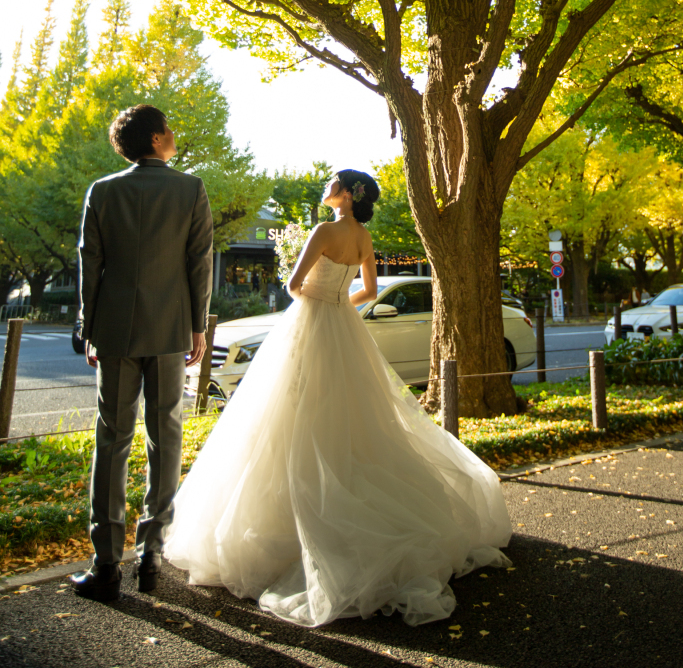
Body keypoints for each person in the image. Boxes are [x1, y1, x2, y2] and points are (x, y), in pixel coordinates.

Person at [164, 169, 512, 627]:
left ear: (347, 194)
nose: (325, 189)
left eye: (332, 184)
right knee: (354, 412)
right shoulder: (363, 236)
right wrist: (337, 302)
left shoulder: (324, 230)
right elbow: (366, 290)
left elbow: (291, 285)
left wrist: (314, 296)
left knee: (288, 411)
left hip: (309, 321)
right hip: (342, 324)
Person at [69, 104, 214, 603]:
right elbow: (199, 262)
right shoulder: (190, 188)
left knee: (111, 439)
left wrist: (87, 326)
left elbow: (90, 262)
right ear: (155, 140)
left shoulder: (103, 191)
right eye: (168, 131)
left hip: (114, 330)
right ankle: (151, 551)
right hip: (172, 327)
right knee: (165, 435)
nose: (173, 137)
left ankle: (104, 562)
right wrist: (198, 326)